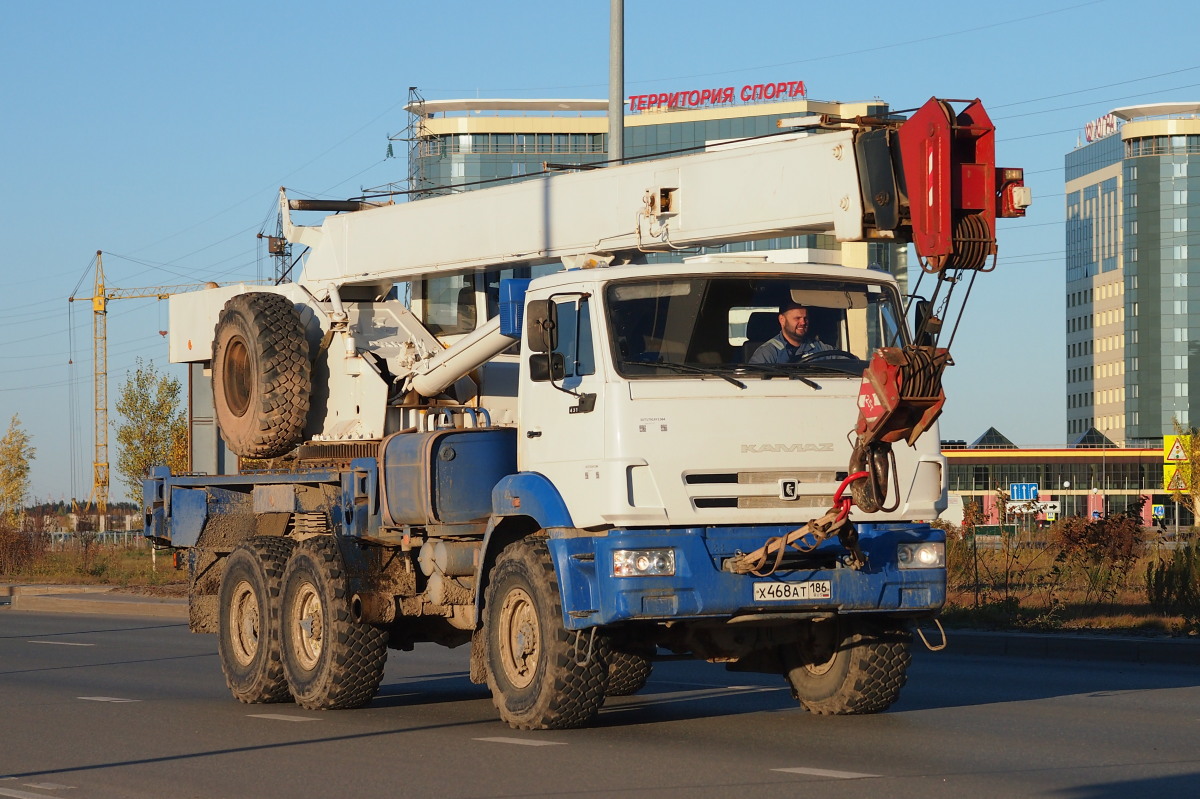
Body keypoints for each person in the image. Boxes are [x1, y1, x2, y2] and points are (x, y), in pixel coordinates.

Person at [748, 301, 832, 364]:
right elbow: (755, 382)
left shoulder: (820, 348)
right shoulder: (768, 353)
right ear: (782, 320)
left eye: (805, 318)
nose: (803, 322)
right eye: (797, 318)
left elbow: (843, 364)